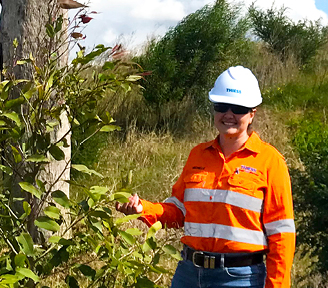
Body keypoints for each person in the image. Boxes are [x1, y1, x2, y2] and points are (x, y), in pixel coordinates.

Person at [116, 66, 295, 288]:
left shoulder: (270, 162)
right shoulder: (197, 154)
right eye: (221, 106)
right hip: (189, 274)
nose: (228, 114)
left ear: (252, 114)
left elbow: (282, 234)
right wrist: (144, 209)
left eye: (238, 108)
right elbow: (179, 211)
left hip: (240, 279)